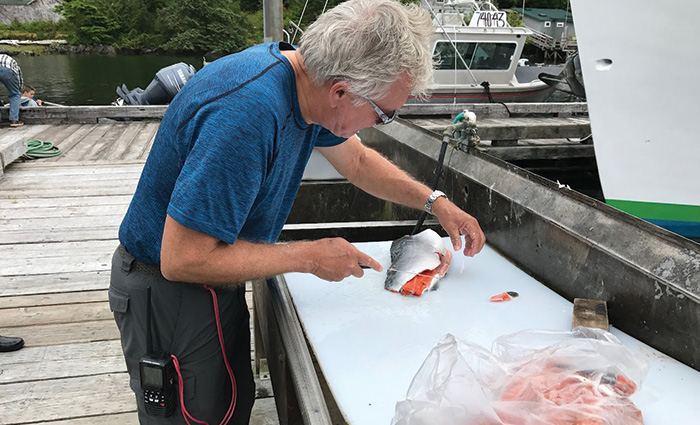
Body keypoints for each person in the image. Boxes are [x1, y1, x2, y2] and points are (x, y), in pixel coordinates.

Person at [109, 1, 486, 424]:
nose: (382, 122)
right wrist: (309, 256)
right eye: (384, 114)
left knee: (227, 404)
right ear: (341, 92)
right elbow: (182, 260)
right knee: (195, 416)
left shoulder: (303, 78)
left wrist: (436, 201)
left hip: (211, 277)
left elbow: (358, 163)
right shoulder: (246, 117)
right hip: (166, 291)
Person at [0, 53, 24, 127]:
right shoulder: (13, 63)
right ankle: (14, 120)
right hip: (8, 71)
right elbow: (19, 78)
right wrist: (19, 90)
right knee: (14, 94)